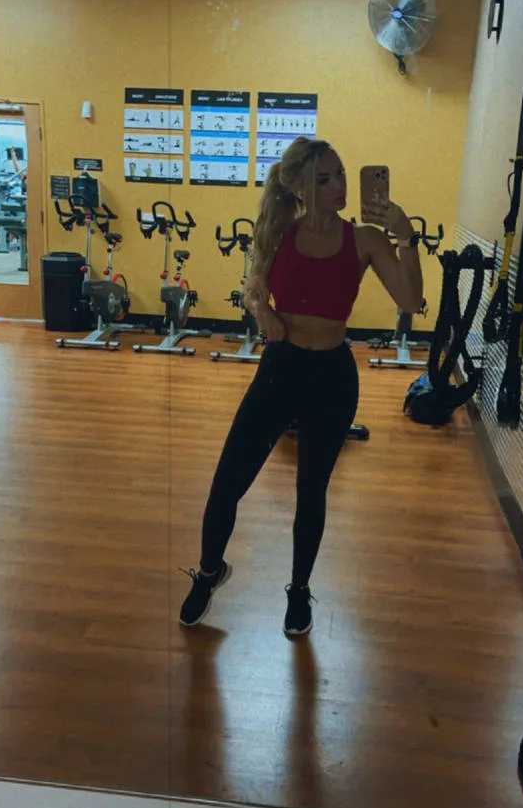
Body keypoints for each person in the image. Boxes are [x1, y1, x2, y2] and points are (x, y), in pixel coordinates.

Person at [179, 137, 423, 637]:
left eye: (341, 174)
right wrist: (263, 311)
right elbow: (252, 288)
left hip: (332, 377)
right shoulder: (279, 232)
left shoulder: (365, 239)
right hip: (281, 367)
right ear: (298, 188)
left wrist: (406, 239)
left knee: (311, 492)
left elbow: (410, 300)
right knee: (228, 482)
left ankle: (298, 588)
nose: (338, 186)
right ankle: (208, 572)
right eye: (324, 179)